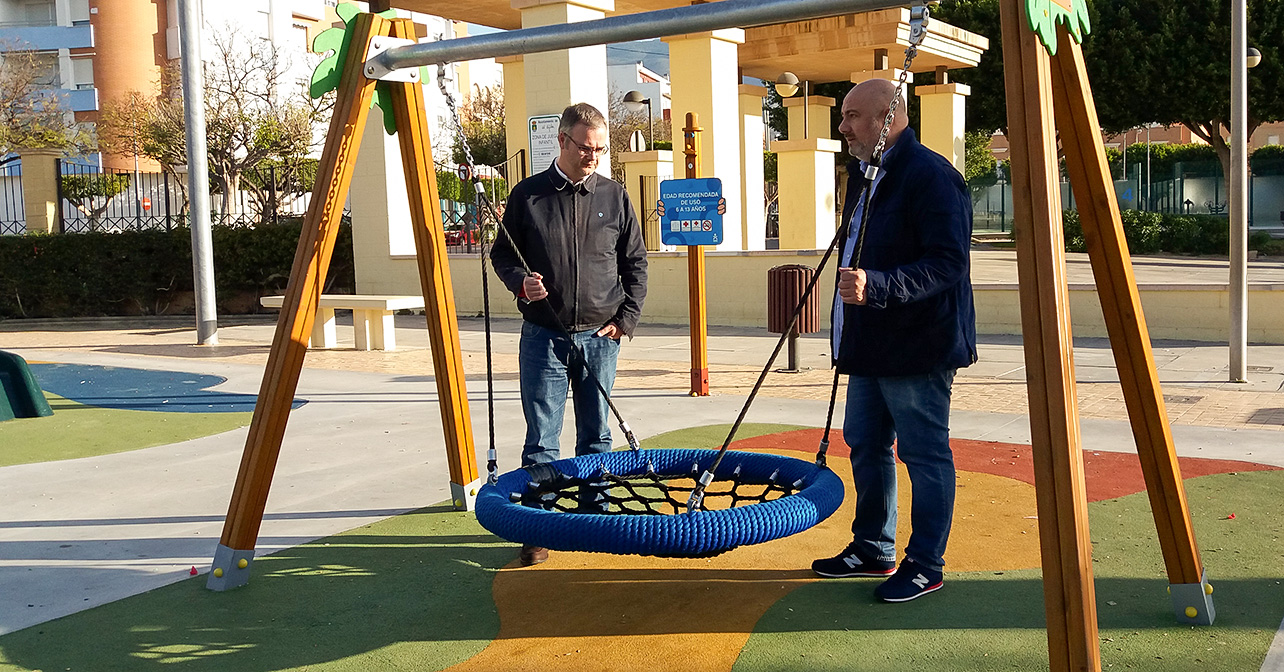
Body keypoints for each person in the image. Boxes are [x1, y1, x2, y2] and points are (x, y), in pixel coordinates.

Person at [810, 78, 977, 602]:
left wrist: (878, 286)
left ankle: (926, 562)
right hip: (871, 341)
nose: (843, 127)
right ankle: (874, 547)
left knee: (924, 454)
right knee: (865, 443)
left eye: (854, 116)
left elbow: (948, 263)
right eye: (844, 116)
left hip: (918, 344)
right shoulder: (865, 174)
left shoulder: (932, 177)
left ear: (889, 117)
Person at [490, 102, 648, 567]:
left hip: (602, 336)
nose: (594, 156)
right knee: (542, 437)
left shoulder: (615, 196)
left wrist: (626, 321)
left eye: (601, 149)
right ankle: (539, 525)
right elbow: (503, 256)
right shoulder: (528, 195)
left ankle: (594, 516)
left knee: (597, 436)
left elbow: (635, 263)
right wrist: (521, 281)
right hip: (544, 337)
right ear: (562, 141)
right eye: (586, 147)